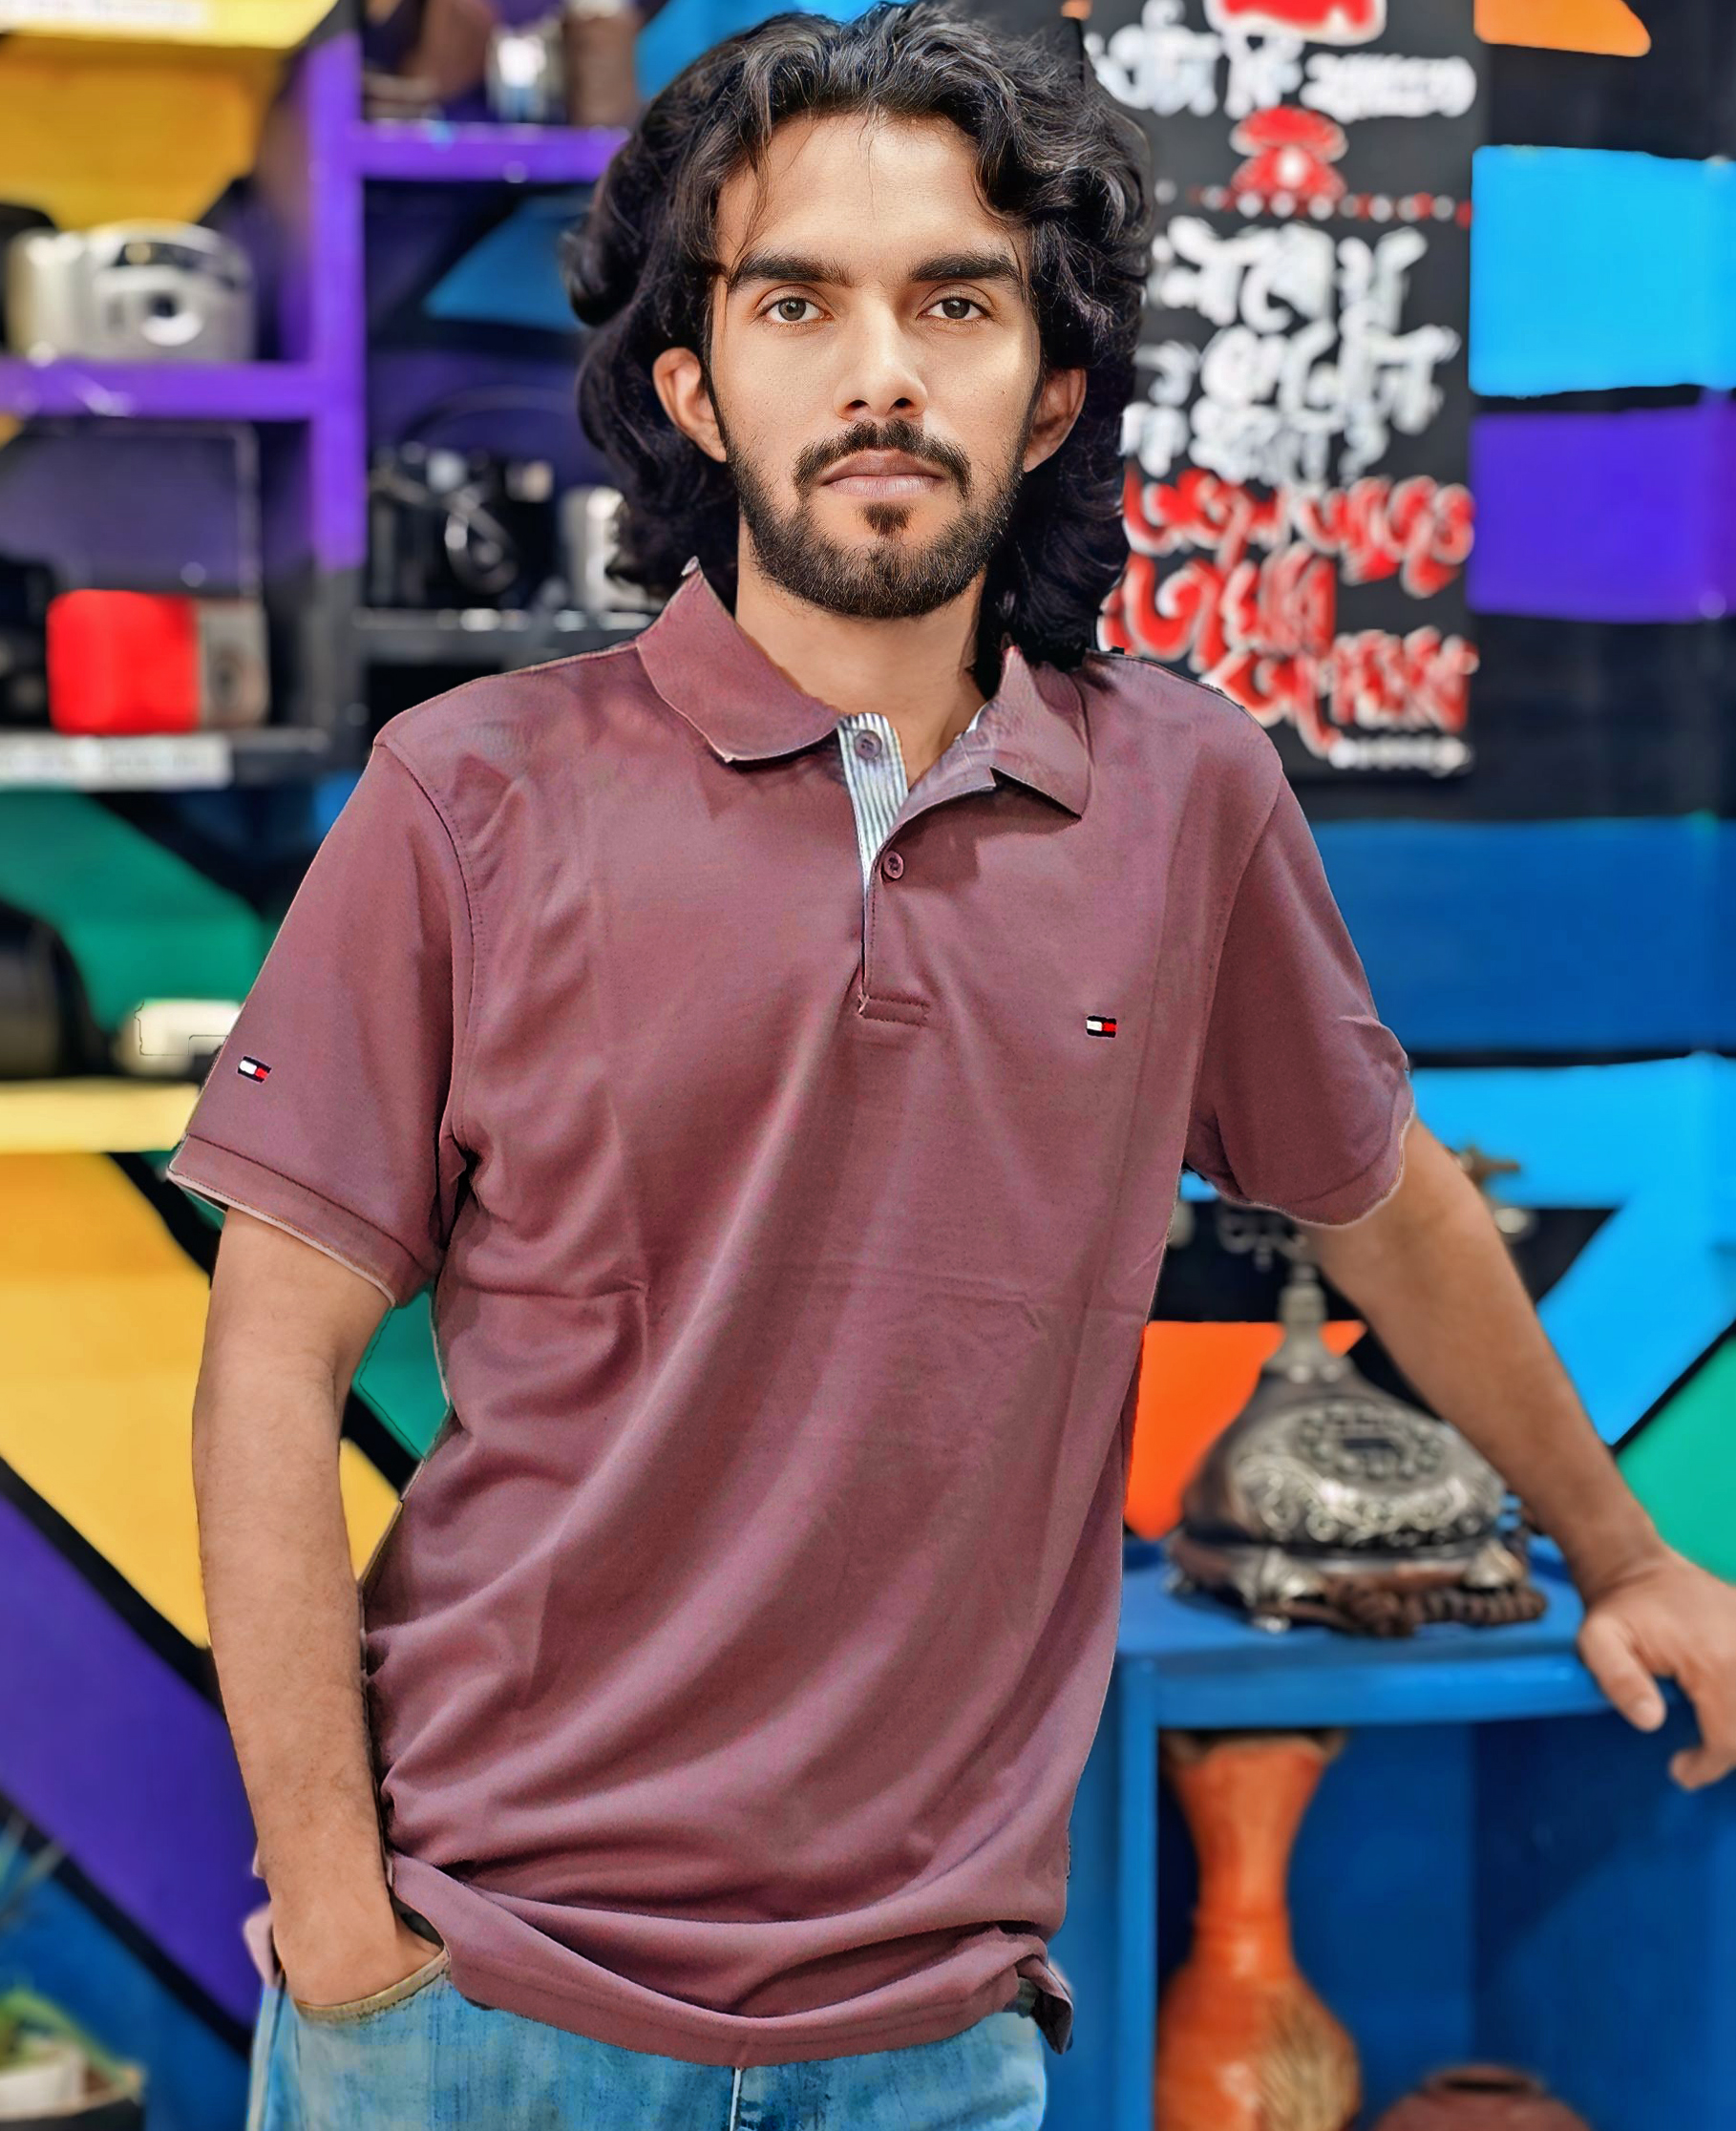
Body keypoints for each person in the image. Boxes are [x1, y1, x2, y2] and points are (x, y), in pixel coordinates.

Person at [168, 3, 1736, 2126]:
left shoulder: (1184, 798)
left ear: (1050, 387)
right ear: (692, 383)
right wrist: (337, 1921)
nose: (880, 371)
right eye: (796, 301)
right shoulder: (468, 794)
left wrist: (1622, 1553)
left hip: (934, 2039)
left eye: (956, 302)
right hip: (478, 2010)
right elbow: (270, 1362)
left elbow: (1386, 1206)